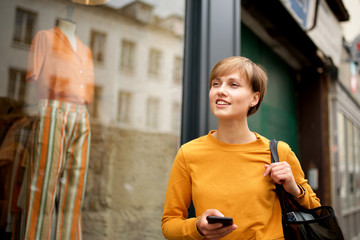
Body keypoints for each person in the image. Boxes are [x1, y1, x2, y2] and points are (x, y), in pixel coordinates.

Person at [161, 56, 321, 240]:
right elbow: (169, 223)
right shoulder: (188, 153)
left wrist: (294, 188)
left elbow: (317, 212)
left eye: (233, 85)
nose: (221, 90)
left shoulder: (278, 152)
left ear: (254, 98)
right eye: (216, 84)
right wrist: (197, 227)